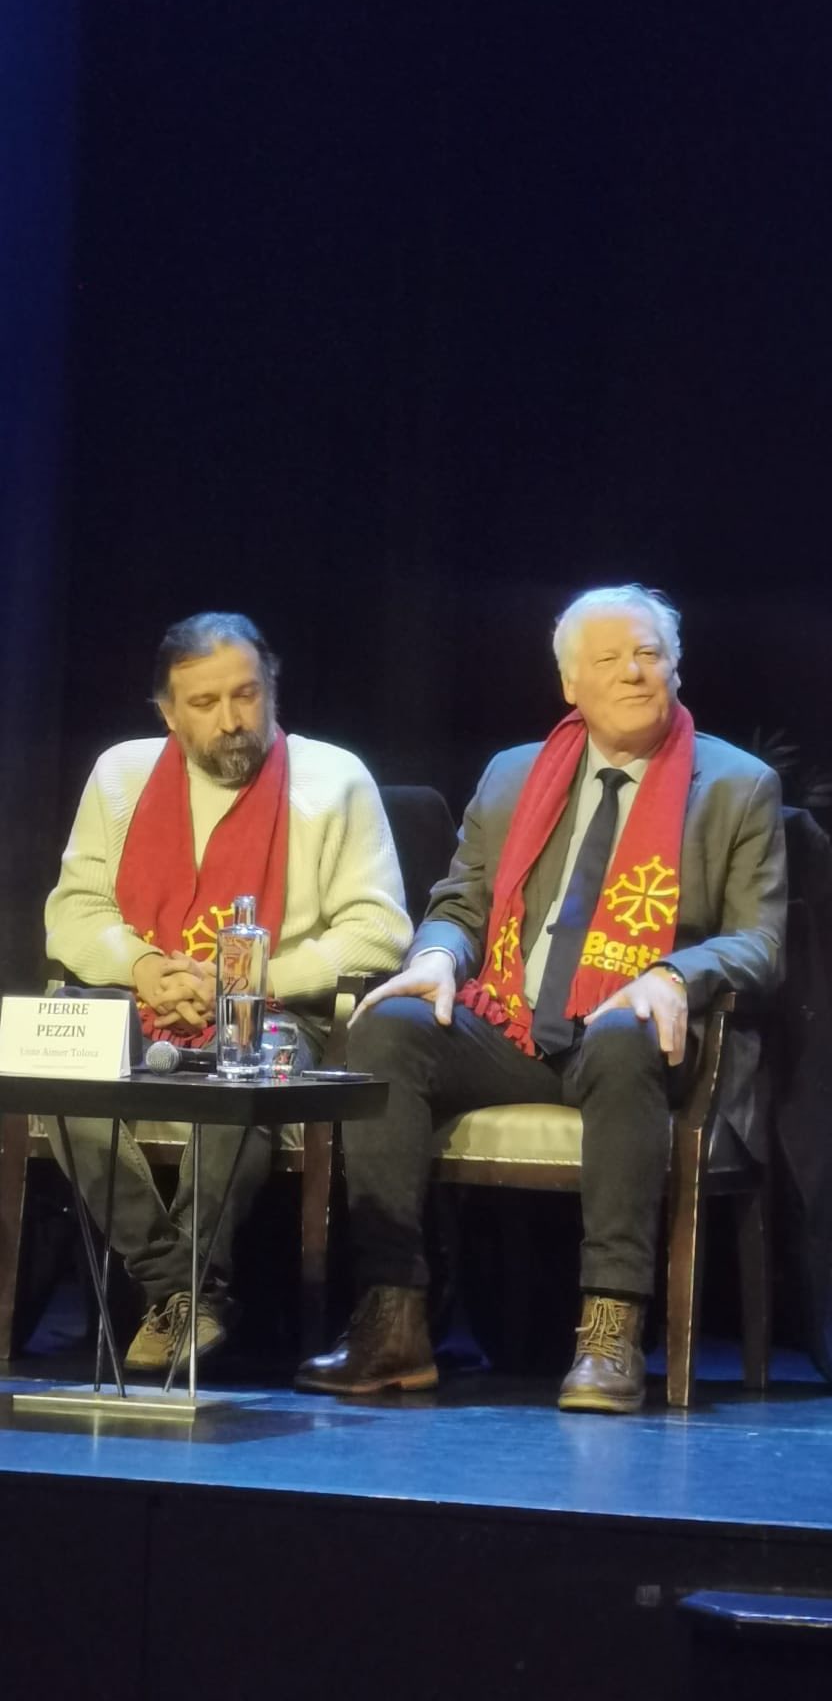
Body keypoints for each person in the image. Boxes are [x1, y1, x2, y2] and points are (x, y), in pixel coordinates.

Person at [297, 585, 787, 1413]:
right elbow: (459, 904)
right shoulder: (513, 774)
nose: (633, 673)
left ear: (676, 668)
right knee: (389, 1028)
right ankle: (394, 1317)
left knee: (626, 1032)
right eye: (610, 659)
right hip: (512, 1028)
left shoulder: (738, 786)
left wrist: (673, 975)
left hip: (639, 1040)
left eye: (650, 655)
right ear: (571, 684)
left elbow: (761, 941)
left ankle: (610, 1329)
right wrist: (437, 957)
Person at [44, 611, 411, 1371]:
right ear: (168, 712)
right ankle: (184, 1291)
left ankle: (176, 1299)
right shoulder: (120, 774)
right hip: (145, 998)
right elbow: (73, 912)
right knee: (58, 1070)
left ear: (271, 689)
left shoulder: (334, 778)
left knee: (240, 1070)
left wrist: (247, 982)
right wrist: (145, 966)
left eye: (246, 695)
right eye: (205, 703)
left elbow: (379, 929)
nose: (232, 719)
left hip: (277, 1012)